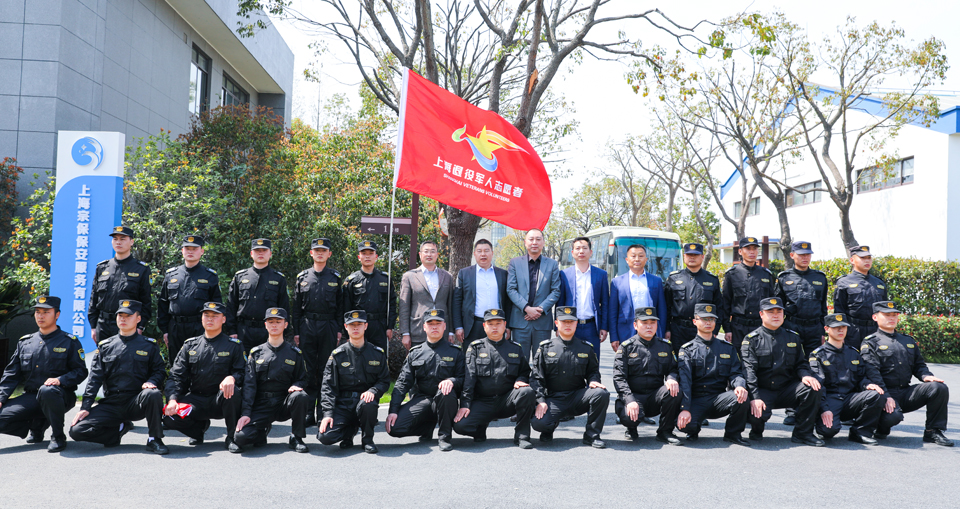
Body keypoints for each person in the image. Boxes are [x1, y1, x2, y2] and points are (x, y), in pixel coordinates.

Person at [70, 300, 168, 454]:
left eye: (128, 316)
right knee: (76, 431)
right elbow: (95, 379)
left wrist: (151, 381)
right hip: (112, 403)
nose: (123, 319)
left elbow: (160, 371)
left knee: (153, 394)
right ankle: (115, 433)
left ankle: (154, 439)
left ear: (138, 319)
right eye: (120, 315)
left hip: (136, 402)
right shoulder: (106, 346)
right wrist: (85, 408)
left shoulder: (149, 345)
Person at [0, 296, 87, 452]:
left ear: (57, 314)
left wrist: (60, 380)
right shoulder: (26, 342)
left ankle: (58, 437)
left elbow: (80, 371)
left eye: (46, 312)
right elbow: (11, 374)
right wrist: (1, 398)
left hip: (60, 396)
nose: (41, 316)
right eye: (38, 312)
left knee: (48, 391)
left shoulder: (69, 342)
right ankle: (35, 425)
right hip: (32, 397)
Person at [860, 301, 953, 446]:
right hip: (883, 393)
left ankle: (933, 431)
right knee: (892, 417)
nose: (892, 318)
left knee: (939, 388)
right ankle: (881, 426)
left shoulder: (907, 340)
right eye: (887, 315)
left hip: (905, 392)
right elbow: (873, 373)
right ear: (875, 317)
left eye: (894, 315)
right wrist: (886, 395)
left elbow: (919, 365)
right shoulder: (870, 342)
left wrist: (926, 376)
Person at [740, 298, 823, 446]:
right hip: (763, 390)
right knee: (756, 414)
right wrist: (755, 397)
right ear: (761, 314)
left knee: (812, 387)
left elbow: (801, 363)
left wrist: (805, 375)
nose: (775, 315)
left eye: (779, 312)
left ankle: (803, 433)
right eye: (770, 312)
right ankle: (756, 430)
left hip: (786, 389)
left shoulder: (793, 337)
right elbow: (749, 372)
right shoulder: (751, 340)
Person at [163, 302, 246, 451]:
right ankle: (198, 430)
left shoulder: (234, 345)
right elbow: (176, 376)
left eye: (215, 316)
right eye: (206, 315)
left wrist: (232, 377)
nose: (210, 319)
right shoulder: (190, 345)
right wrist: (172, 399)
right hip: (196, 399)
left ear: (224, 319)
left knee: (233, 392)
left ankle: (232, 437)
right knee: (169, 417)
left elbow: (243, 372)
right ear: (201, 318)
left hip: (221, 399)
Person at [453, 309, 537, 449]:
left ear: (504, 325)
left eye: (498, 323)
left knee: (527, 392)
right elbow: (469, 378)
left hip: (506, 401)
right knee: (460, 426)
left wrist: (520, 379)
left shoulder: (515, 348)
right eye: (490, 324)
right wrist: (465, 404)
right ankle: (480, 429)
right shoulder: (475, 348)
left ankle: (522, 436)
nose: (495, 327)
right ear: (484, 326)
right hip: (483, 401)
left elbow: (525, 372)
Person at [386, 309, 464, 451]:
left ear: (444, 326)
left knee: (445, 393)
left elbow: (464, 379)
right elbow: (402, 383)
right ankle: (426, 427)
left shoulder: (456, 352)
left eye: (438, 323)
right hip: (423, 399)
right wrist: (393, 410)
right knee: (395, 428)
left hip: (446, 400)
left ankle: (444, 437)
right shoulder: (415, 353)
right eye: (430, 323)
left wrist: (452, 381)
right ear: (424, 327)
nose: (434, 327)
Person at [531, 306, 609, 448]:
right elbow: (537, 378)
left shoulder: (586, 348)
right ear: (556, 323)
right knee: (539, 423)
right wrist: (540, 401)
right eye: (564, 321)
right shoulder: (545, 348)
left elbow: (593, 371)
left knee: (601, 393)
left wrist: (593, 381)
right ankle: (549, 428)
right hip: (554, 399)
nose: (568, 325)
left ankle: (592, 435)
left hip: (577, 398)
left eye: (571, 322)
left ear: (576, 323)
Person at [234, 308, 309, 453]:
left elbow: (303, 378)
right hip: (262, 404)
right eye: (271, 321)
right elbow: (249, 385)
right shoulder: (256, 353)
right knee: (241, 438)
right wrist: (246, 413)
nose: (274, 325)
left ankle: (296, 437)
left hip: (283, 403)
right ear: (265, 325)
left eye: (278, 322)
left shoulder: (294, 353)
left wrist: (297, 385)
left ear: (285, 325)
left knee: (300, 396)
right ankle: (261, 431)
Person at [675, 303, 751, 446]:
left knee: (741, 397)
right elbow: (685, 382)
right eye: (704, 319)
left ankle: (733, 434)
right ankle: (694, 428)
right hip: (696, 400)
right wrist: (685, 409)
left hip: (718, 399)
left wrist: (739, 385)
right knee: (685, 426)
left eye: (711, 319)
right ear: (695, 321)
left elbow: (736, 373)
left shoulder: (727, 348)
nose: (708, 322)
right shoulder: (687, 350)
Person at [318, 310, 391, 453]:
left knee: (368, 403)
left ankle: (367, 439)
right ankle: (349, 431)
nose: (355, 328)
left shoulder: (377, 353)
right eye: (352, 325)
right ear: (346, 327)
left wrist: (373, 391)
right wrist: (327, 414)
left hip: (364, 404)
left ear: (366, 326)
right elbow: (328, 387)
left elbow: (384, 380)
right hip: (343, 405)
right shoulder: (337, 355)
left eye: (359, 324)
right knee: (325, 437)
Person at [809, 313, 885, 445]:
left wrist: (867, 385)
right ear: (827, 329)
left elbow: (861, 377)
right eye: (836, 327)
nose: (841, 330)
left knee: (875, 394)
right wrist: (824, 409)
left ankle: (860, 432)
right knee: (828, 431)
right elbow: (819, 387)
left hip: (850, 399)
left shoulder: (853, 353)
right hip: (830, 399)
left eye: (843, 327)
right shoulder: (818, 355)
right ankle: (820, 421)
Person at [612, 307, 683, 445]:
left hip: (655, 397)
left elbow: (673, 369)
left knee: (674, 391)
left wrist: (671, 378)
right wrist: (629, 400)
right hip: (634, 397)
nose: (649, 326)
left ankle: (665, 431)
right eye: (644, 323)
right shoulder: (626, 347)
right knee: (629, 417)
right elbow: (619, 377)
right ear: (635, 325)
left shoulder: (665, 346)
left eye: (652, 322)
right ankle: (631, 428)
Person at [776, 240, 828, 426]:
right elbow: (777, 307)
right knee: (791, 366)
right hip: (792, 326)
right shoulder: (783, 278)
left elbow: (823, 307)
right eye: (801, 254)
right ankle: (792, 409)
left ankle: (812, 408)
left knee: (814, 366)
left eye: (808, 254)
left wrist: (823, 331)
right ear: (792, 255)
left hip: (814, 328)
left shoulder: (820, 278)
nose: (805, 257)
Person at [292, 237, 343, 427]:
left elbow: (340, 307)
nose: (320, 253)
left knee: (325, 369)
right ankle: (308, 412)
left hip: (328, 326)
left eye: (324, 251)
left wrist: (339, 329)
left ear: (329, 254)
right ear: (311, 253)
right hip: (307, 326)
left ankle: (323, 411)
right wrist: (296, 331)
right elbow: (296, 308)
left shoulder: (335, 278)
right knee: (308, 369)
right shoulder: (302, 277)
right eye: (317, 250)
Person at [157, 235, 222, 364]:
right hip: (175, 329)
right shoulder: (171, 275)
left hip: (199, 327)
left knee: (200, 364)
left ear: (202, 251)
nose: (190, 252)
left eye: (194, 249)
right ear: (182, 251)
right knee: (176, 365)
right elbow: (163, 304)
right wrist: (165, 330)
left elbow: (217, 306)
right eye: (187, 248)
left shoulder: (209, 276)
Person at [88, 226, 151, 342]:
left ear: (131, 242)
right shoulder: (102, 267)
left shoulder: (141, 269)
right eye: (115, 239)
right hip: (103, 325)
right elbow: (94, 299)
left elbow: (146, 301)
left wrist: (140, 326)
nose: (118, 242)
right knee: (103, 353)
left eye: (122, 239)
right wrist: (93, 326)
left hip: (128, 324)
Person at [226, 238, 291, 352]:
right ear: (251, 254)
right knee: (242, 361)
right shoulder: (240, 277)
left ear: (270, 254)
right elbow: (231, 305)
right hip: (243, 331)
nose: (260, 253)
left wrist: (283, 333)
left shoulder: (278, 279)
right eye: (257, 250)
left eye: (264, 250)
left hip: (268, 332)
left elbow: (284, 308)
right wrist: (232, 331)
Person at [506, 229, 561, 361]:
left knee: (541, 361)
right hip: (520, 321)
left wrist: (540, 309)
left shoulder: (552, 264)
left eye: (538, 239)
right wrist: (526, 308)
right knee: (520, 362)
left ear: (543, 242)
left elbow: (556, 290)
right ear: (525, 242)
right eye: (531, 239)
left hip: (542, 322)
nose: (534, 242)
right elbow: (511, 289)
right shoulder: (515, 263)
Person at [664, 242, 725, 355]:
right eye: (689, 255)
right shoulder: (674, 278)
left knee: (702, 360)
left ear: (702, 257)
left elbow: (719, 307)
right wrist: (667, 329)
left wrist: (715, 330)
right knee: (680, 360)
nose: (692, 257)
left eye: (695, 255)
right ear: (684, 256)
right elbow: (666, 306)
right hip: (678, 330)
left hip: (703, 330)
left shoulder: (712, 279)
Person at [557, 237, 610, 358]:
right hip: (570, 324)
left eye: (584, 248)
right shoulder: (564, 274)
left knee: (593, 361)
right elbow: (560, 302)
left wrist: (604, 327)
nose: (581, 251)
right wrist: (558, 326)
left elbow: (605, 303)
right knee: (570, 360)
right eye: (578, 248)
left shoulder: (601, 275)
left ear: (590, 252)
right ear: (572, 253)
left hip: (592, 327)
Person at [341, 241, 398, 352]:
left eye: (371, 253)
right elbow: (345, 308)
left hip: (379, 326)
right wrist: (347, 333)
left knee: (379, 356)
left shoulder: (385, 279)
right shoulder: (351, 280)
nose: (367, 256)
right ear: (359, 257)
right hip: (358, 325)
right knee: (358, 357)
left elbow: (392, 304)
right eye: (364, 253)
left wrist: (390, 327)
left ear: (376, 257)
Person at [609, 244, 667, 352]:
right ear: (627, 260)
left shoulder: (656, 281)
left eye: (640, 256)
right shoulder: (617, 282)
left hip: (650, 330)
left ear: (646, 259)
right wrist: (613, 337)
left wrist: (662, 333)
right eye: (633, 256)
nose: (637, 259)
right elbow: (612, 312)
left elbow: (662, 310)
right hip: (625, 331)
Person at [722, 237, 776, 352]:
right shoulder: (732, 274)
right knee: (739, 359)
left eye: (755, 249)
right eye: (748, 249)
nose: (752, 252)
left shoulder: (765, 274)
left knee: (763, 358)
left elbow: (771, 303)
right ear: (740, 251)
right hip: (738, 327)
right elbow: (725, 303)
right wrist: (727, 329)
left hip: (760, 326)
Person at [399, 240, 456, 349]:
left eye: (433, 251)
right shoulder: (409, 276)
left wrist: (451, 331)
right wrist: (405, 333)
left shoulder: (447, 276)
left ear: (437, 255)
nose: (429, 254)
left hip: (442, 331)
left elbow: (450, 306)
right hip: (418, 330)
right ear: (420, 254)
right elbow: (404, 307)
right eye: (426, 251)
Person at [453, 239, 511, 345]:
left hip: (497, 324)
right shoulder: (464, 274)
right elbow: (457, 301)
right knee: (471, 354)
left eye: (486, 251)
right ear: (474, 254)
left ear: (492, 253)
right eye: (479, 251)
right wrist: (458, 326)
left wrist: (508, 325)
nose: (483, 254)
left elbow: (507, 302)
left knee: (497, 354)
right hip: (472, 325)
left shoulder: (503, 274)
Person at [833, 245, 888, 348]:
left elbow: (885, 310)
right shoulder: (844, 282)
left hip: (875, 331)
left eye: (869, 258)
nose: (867, 261)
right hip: (853, 331)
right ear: (852, 260)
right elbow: (839, 311)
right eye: (862, 258)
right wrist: (840, 334)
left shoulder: (878, 283)